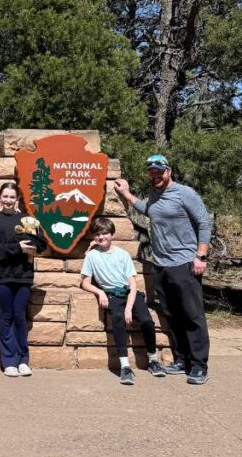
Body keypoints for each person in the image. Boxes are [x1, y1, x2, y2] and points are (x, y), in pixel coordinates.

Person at [113, 154, 212, 385]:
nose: (156, 175)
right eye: (152, 172)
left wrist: (201, 256)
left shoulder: (185, 193)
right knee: (172, 314)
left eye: (160, 171)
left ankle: (199, 365)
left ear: (169, 171)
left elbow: (203, 223)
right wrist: (126, 194)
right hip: (161, 264)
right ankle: (182, 360)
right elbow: (148, 210)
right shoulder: (155, 194)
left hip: (185, 262)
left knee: (192, 315)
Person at [80, 217, 166, 384]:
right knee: (118, 319)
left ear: (112, 234)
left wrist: (129, 307)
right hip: (112, 295)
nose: (101, 237)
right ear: (93, 237)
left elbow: (132, 284)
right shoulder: (91, 257)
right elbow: (84, 282)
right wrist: (100, 292)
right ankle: (125, 366)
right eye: (97, 234)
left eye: (105, 233)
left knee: (147, 321)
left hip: (130, 294)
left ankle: (153, 359)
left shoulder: (122, 254)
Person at [0, 182, 47, 377]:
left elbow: (41, 244)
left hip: (24, 276)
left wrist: (29, 244)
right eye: (5, 196)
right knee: (6, 315)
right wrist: (17, 248)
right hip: (4, 276)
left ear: (18, 200)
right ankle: (9, 361)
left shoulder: (27, 220)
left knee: (20, 316)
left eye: (12, 197)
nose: (8, 200)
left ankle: (22, 360)